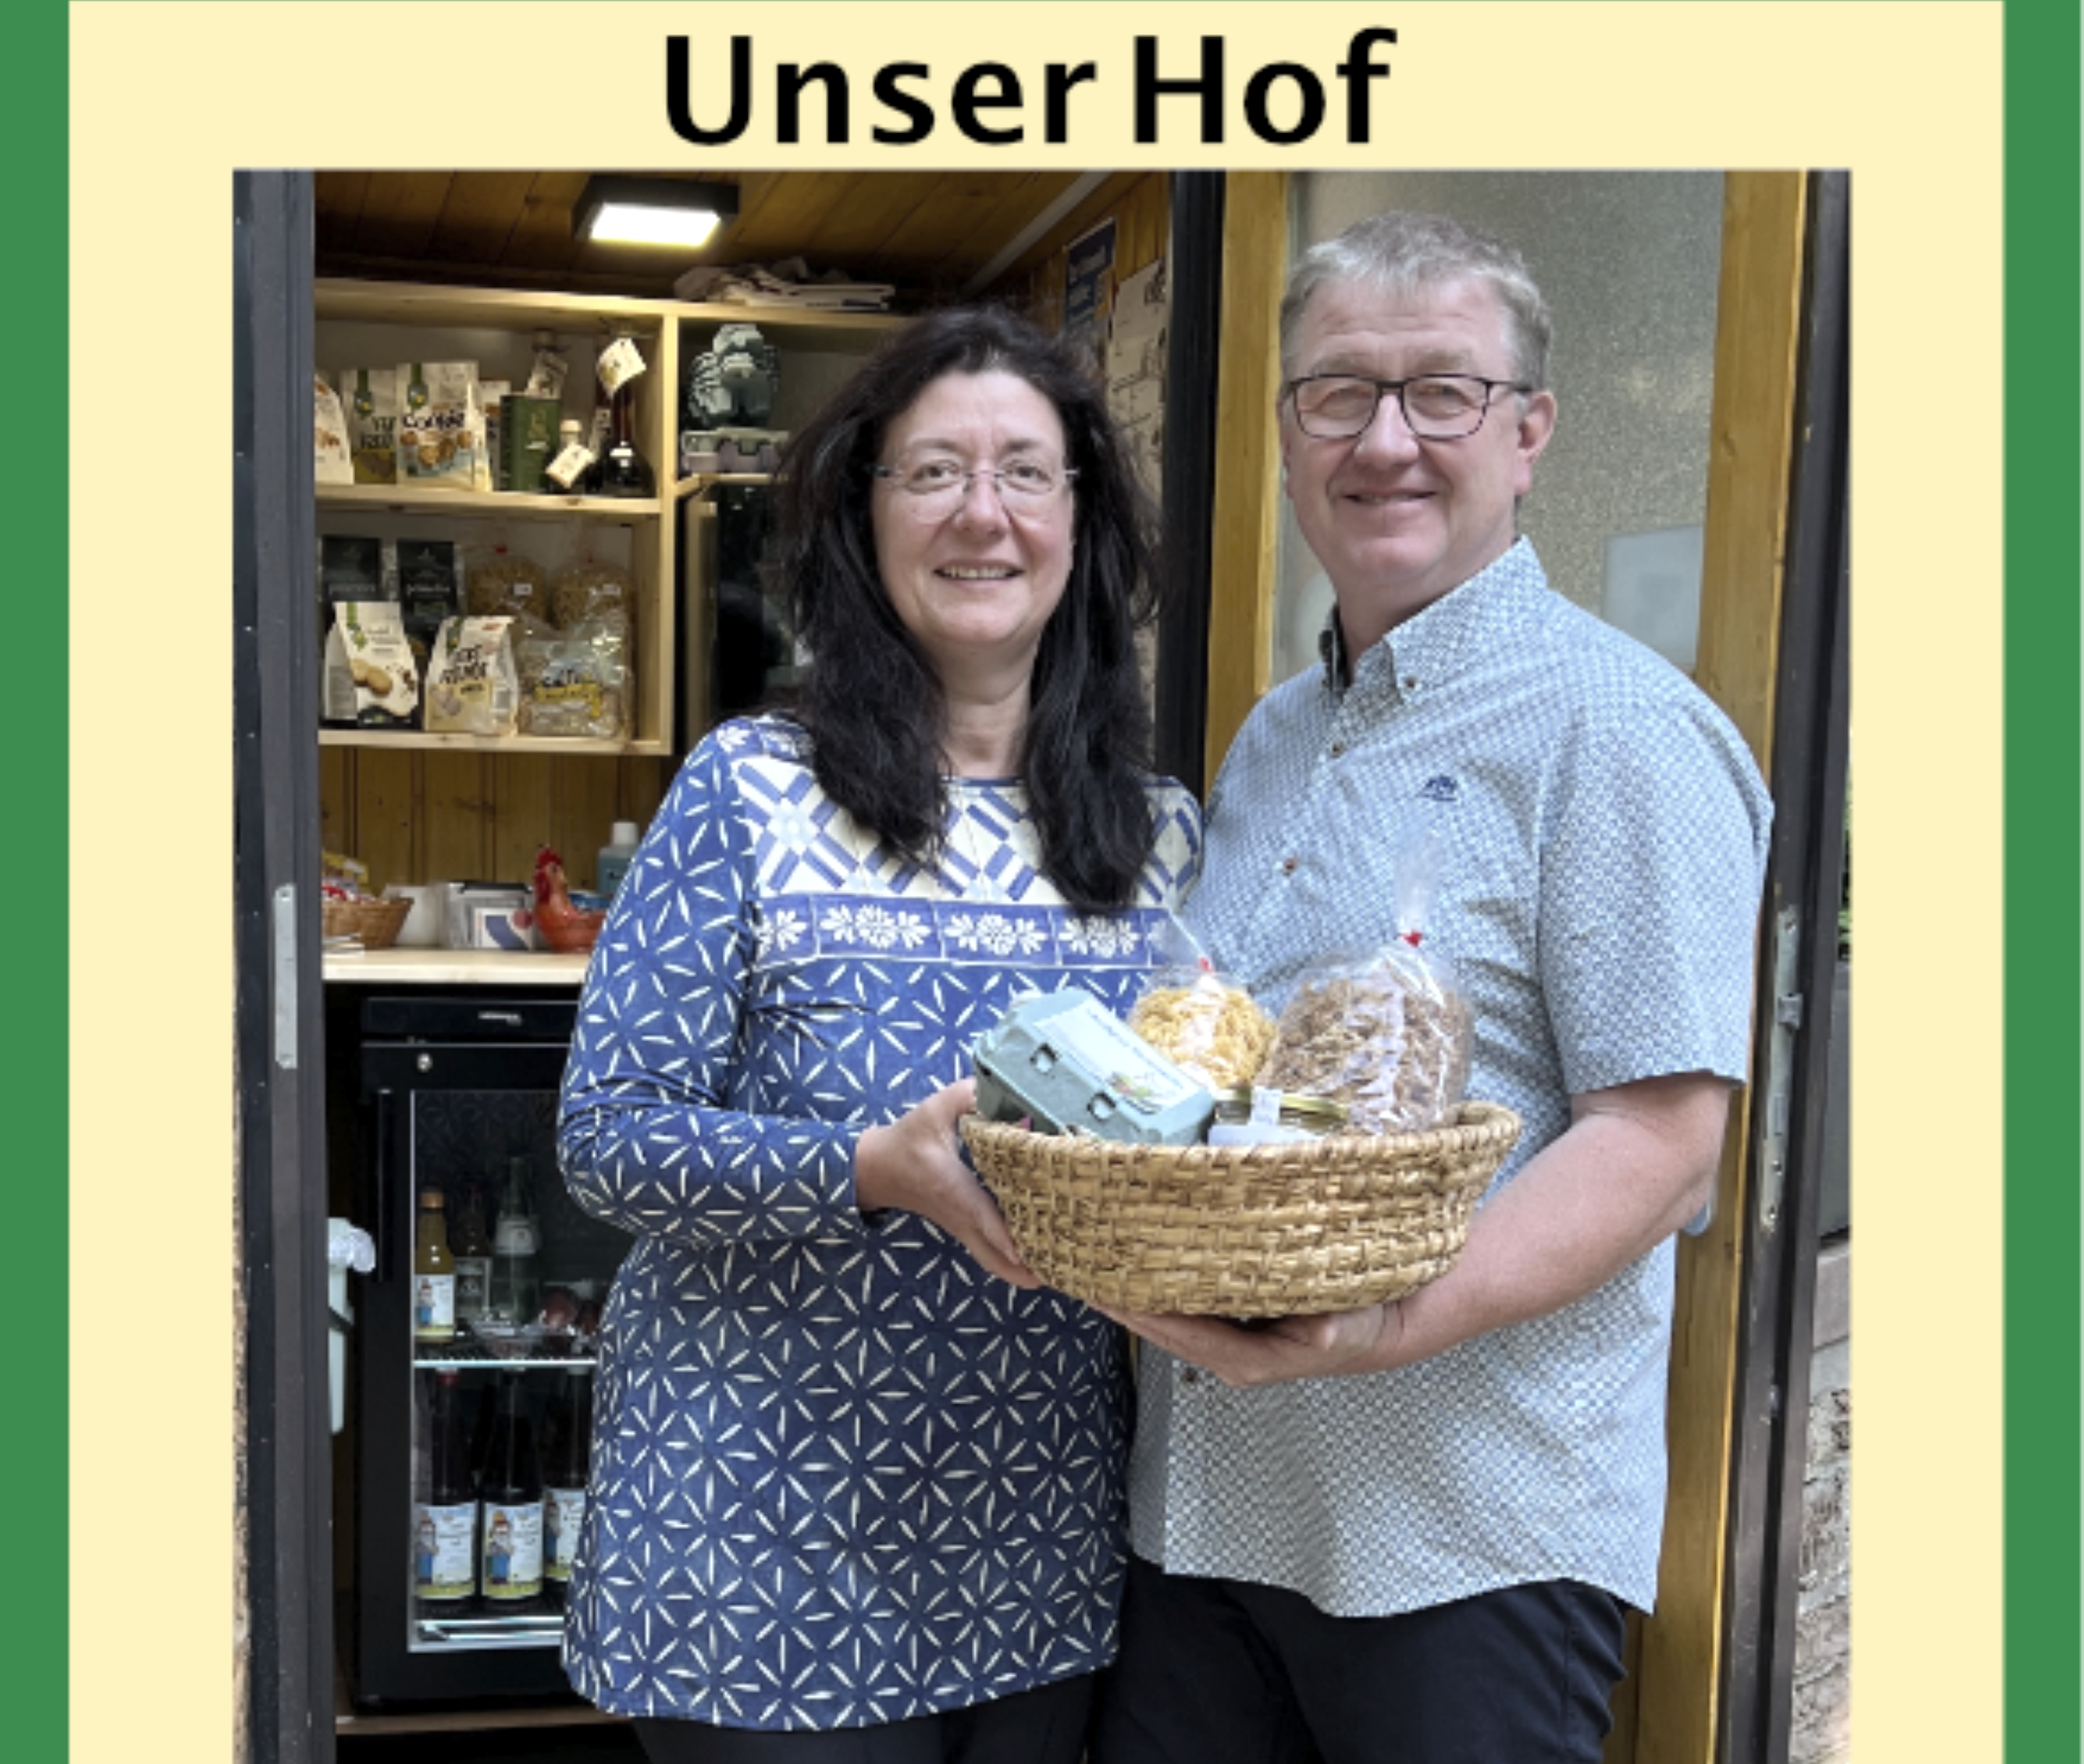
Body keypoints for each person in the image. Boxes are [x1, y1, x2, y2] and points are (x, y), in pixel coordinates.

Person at [1088, 212, 1775, 1763]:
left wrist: (1376, 1325)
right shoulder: (1273, 732)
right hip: (1207, 1518)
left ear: (1528, 433)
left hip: (1462, 1540)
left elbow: (1659, 1144)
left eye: (1442, 393)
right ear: (1286, 440)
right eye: (1338, 393)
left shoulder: (1619, 730)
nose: (1384, 440)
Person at [555, 305, 1203, 1763]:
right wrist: (866, 1170)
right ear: (865, 514)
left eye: (1024, 471)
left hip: (1033, 1540)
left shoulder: (1157, 835)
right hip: (750, 1541)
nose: (982, 512)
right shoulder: (747, 790)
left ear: (1080, 520)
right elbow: (607, 1137)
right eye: (933, 472)